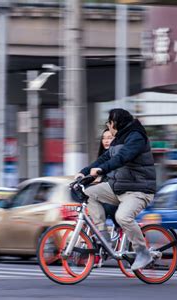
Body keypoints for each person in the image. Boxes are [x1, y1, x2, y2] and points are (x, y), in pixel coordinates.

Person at [75, 108, 156, 271]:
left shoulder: (136, 137)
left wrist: (101, 170)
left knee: (122, 217)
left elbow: (121, 158)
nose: (108, 125)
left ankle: (142, 252)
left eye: (109, 122)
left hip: (139, 190)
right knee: (89, 193)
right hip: (118, 188)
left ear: (115, 123)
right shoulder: (119, 138)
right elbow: (105, 157)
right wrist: (84, 172)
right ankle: (104, 237)